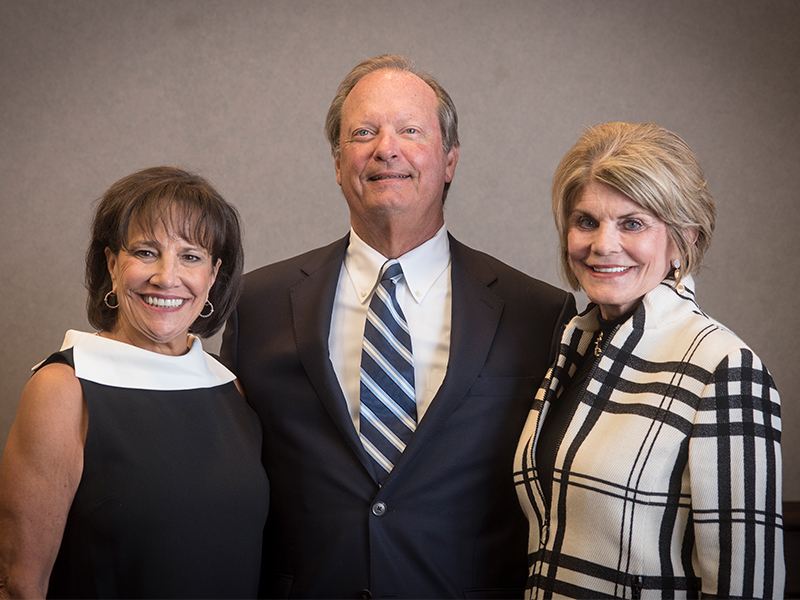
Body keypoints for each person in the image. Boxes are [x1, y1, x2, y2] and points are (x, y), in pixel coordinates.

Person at [221, 54, 576, 599]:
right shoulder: (256, 304)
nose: (386, 147)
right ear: (338, 163)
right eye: (363, 132)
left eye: (410, 130)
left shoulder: (539, 314)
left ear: (450, 158)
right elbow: (227, 476)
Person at [514, 121, 784, 599]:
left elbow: (747, 585)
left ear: (681, 241)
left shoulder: (723, 367)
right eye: (586, 221)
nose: (603, 245)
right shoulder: (574, 347)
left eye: (632, 223)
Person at [0, 167, 268, 599]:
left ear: (214, 275)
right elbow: (19, 586)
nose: (167, 277)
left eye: (191, 256)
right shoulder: (65, 389)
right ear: (111, 264)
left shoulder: (230, 388)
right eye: (145, 252)